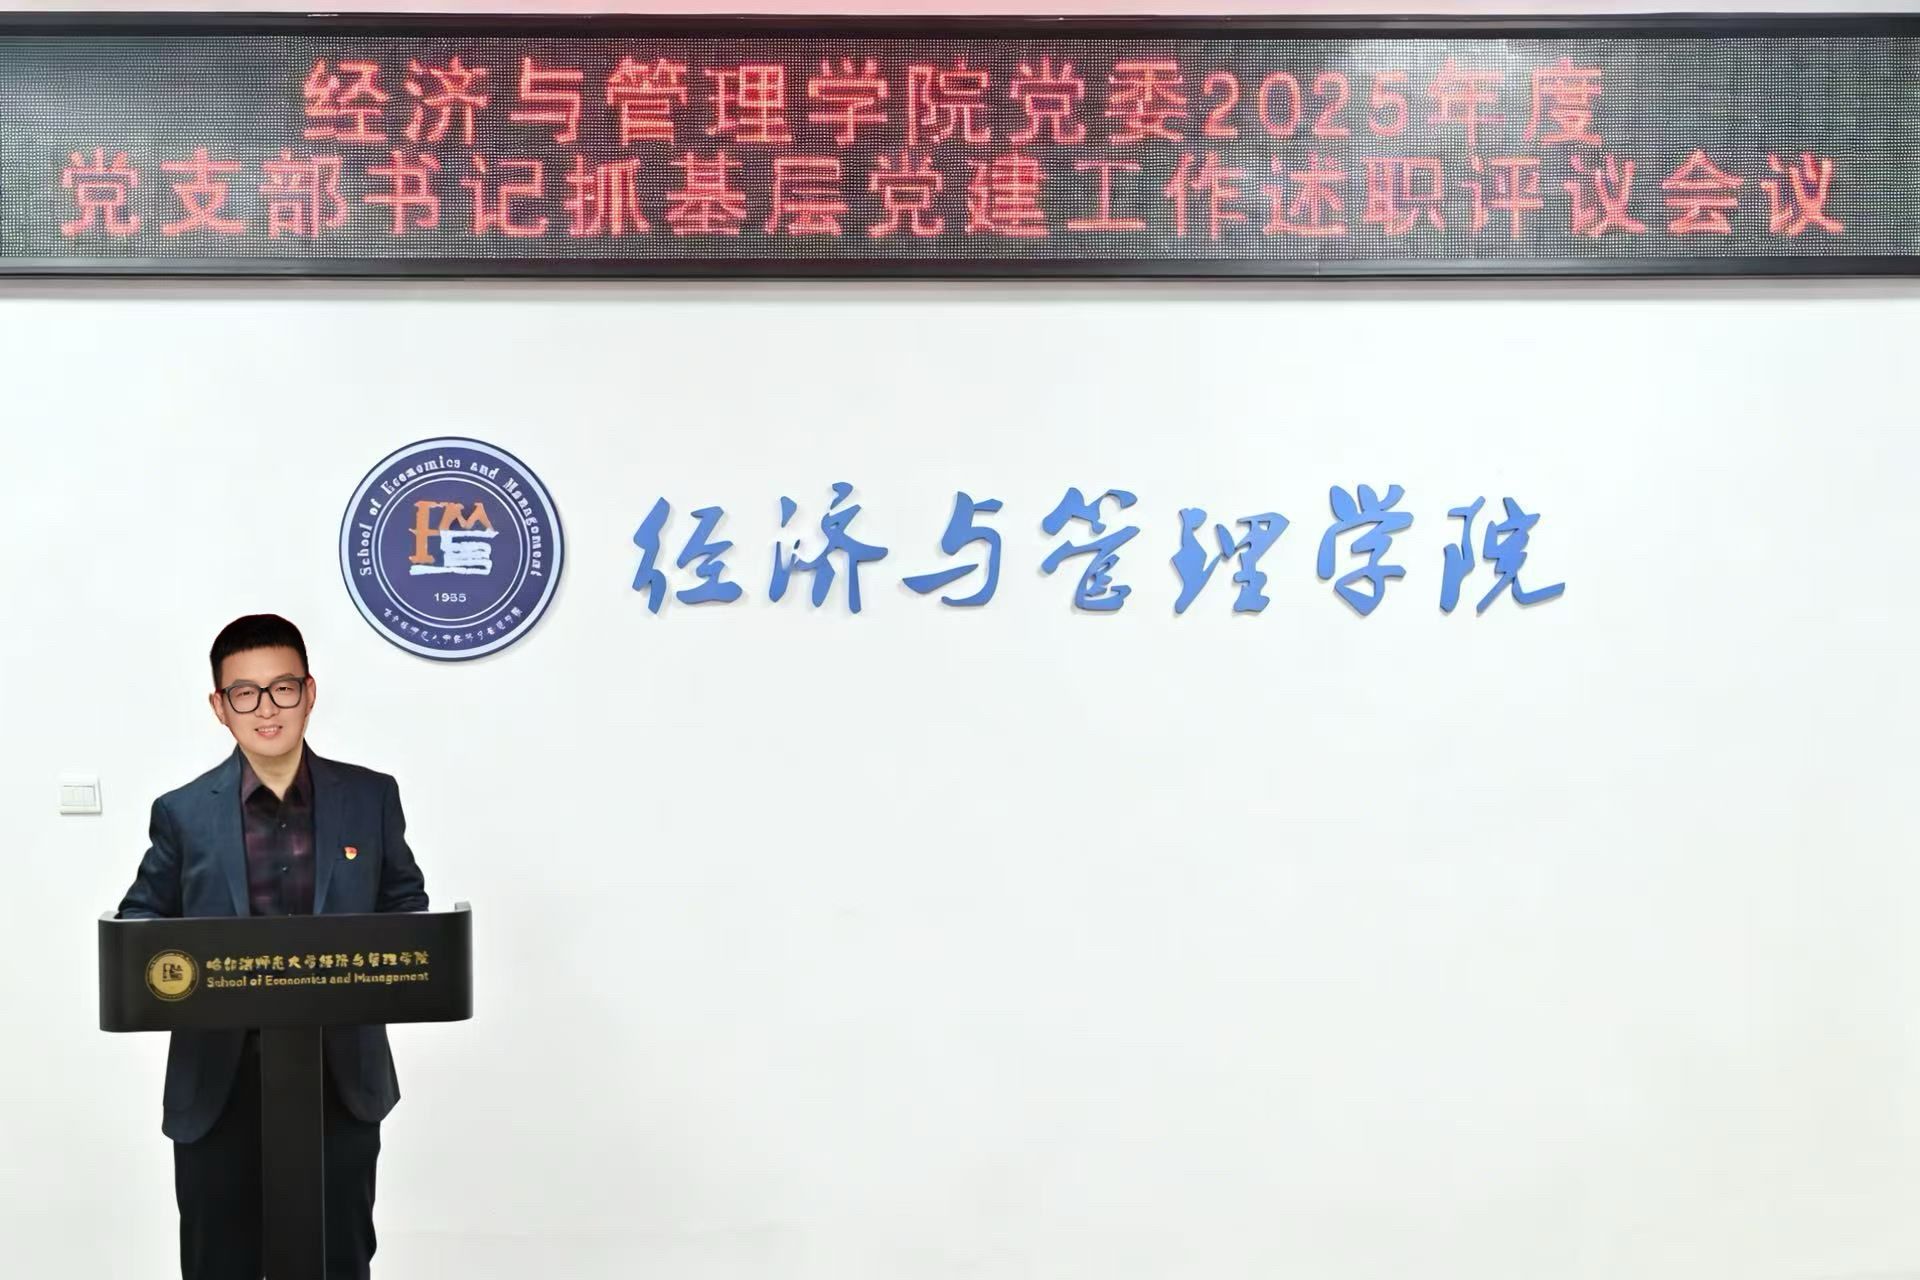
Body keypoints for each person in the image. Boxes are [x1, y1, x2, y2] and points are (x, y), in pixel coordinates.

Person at [118, 613, 429, 1280]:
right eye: (245, 693)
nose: (267, 708)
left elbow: (406, 905)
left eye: (283, 688)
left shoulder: (370, 797)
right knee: (218, 1264)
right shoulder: (182, 812)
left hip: (338, 1077)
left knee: (339, 1259)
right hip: (219, 1083)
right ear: (219, 707)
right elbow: (141, 922)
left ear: (309, 693)